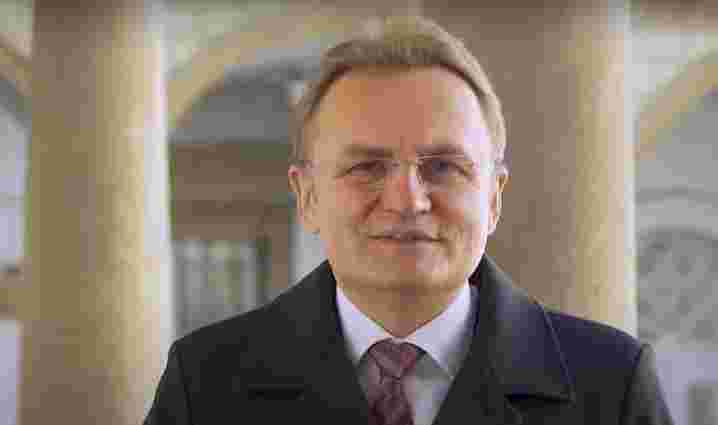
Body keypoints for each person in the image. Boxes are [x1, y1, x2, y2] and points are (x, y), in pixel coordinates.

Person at [144, 15, 673, 425]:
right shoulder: (205, 386)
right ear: (307, 197)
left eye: (443, 167)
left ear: (494, 198)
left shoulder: (611, 387)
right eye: (367, 167)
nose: (407, 200)